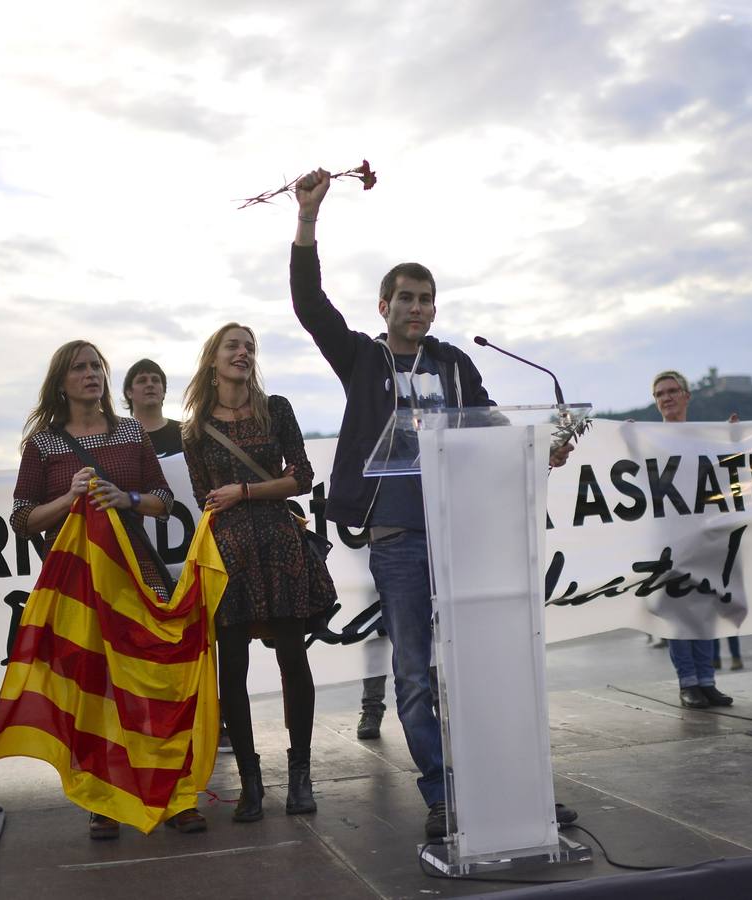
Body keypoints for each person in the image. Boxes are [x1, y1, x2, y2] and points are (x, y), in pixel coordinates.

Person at [290, 167, 575, 839]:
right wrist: (306, 220)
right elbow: (309, 305)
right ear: (383, 305)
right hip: (398, 539)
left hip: (464, 533)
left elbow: (491, 430)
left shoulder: (452, 364)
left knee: (487, 665)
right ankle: (443, 794)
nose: (418, 309)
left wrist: (538, 451)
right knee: (415, 672)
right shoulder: (360, 360)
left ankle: (512, 788)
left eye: (427, 300)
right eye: (406, 299)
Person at [10, 340, 184, 837]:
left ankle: (171, 794)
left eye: (97, 367)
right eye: (80, 368)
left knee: (153, 683)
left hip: (137, 576)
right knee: (95, 692)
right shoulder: (42, 445)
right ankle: (103, 800)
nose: (91, 375)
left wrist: (125, 497)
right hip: (78, 586)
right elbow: (22, 519)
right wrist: (70, 497)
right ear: (60, 383)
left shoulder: (131, 434)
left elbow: (164, 501)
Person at [181, 323, 335, 822]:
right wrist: (231, 500)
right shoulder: (195, 430)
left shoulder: (278, 409)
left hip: (279, 545)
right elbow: (207, 494)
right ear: (213, 359)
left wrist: (244, 491)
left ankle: (301, 776)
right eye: (234, 346)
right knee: (234, 673)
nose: (244, 353)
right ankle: (250, 783)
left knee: (293, 658)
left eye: (250, 347)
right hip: (229, 555)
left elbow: (303, 476)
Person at [651, 372, 735, 708]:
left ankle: (706, 680)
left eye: (672, 391)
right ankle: (687, 683)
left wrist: (735, 440)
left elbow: (728, 471)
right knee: (678, 612)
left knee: (703, 610)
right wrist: (623, 441)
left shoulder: (704, 439)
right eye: (659, 394)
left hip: (704, 536)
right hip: (669, 540)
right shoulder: (649, 440)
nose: (666, 398)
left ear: (687, 396)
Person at [122, 358, 184, 457]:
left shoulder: (186, 434)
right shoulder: (119, 438)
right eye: (142, 381)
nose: (150, 384)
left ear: (164, 391)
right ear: (129, 392)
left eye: (155, 380)